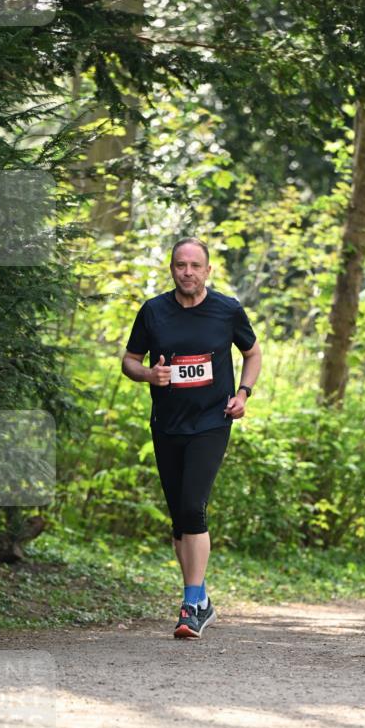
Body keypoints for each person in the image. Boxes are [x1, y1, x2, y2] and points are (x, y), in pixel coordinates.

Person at [122, 237, 262, 639]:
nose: (187, 272)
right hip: (167, 423)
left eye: (195, 266)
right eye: (180, 265)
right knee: (179, 519)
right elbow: (129, 361)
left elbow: (252, 353)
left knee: (192, 506)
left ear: (207, 270)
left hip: (212, 421)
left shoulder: (227, 310)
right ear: (172, 269)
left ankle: (191, 604)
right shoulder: (153, 312)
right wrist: (149, 374)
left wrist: (243, 394)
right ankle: (201, 600)